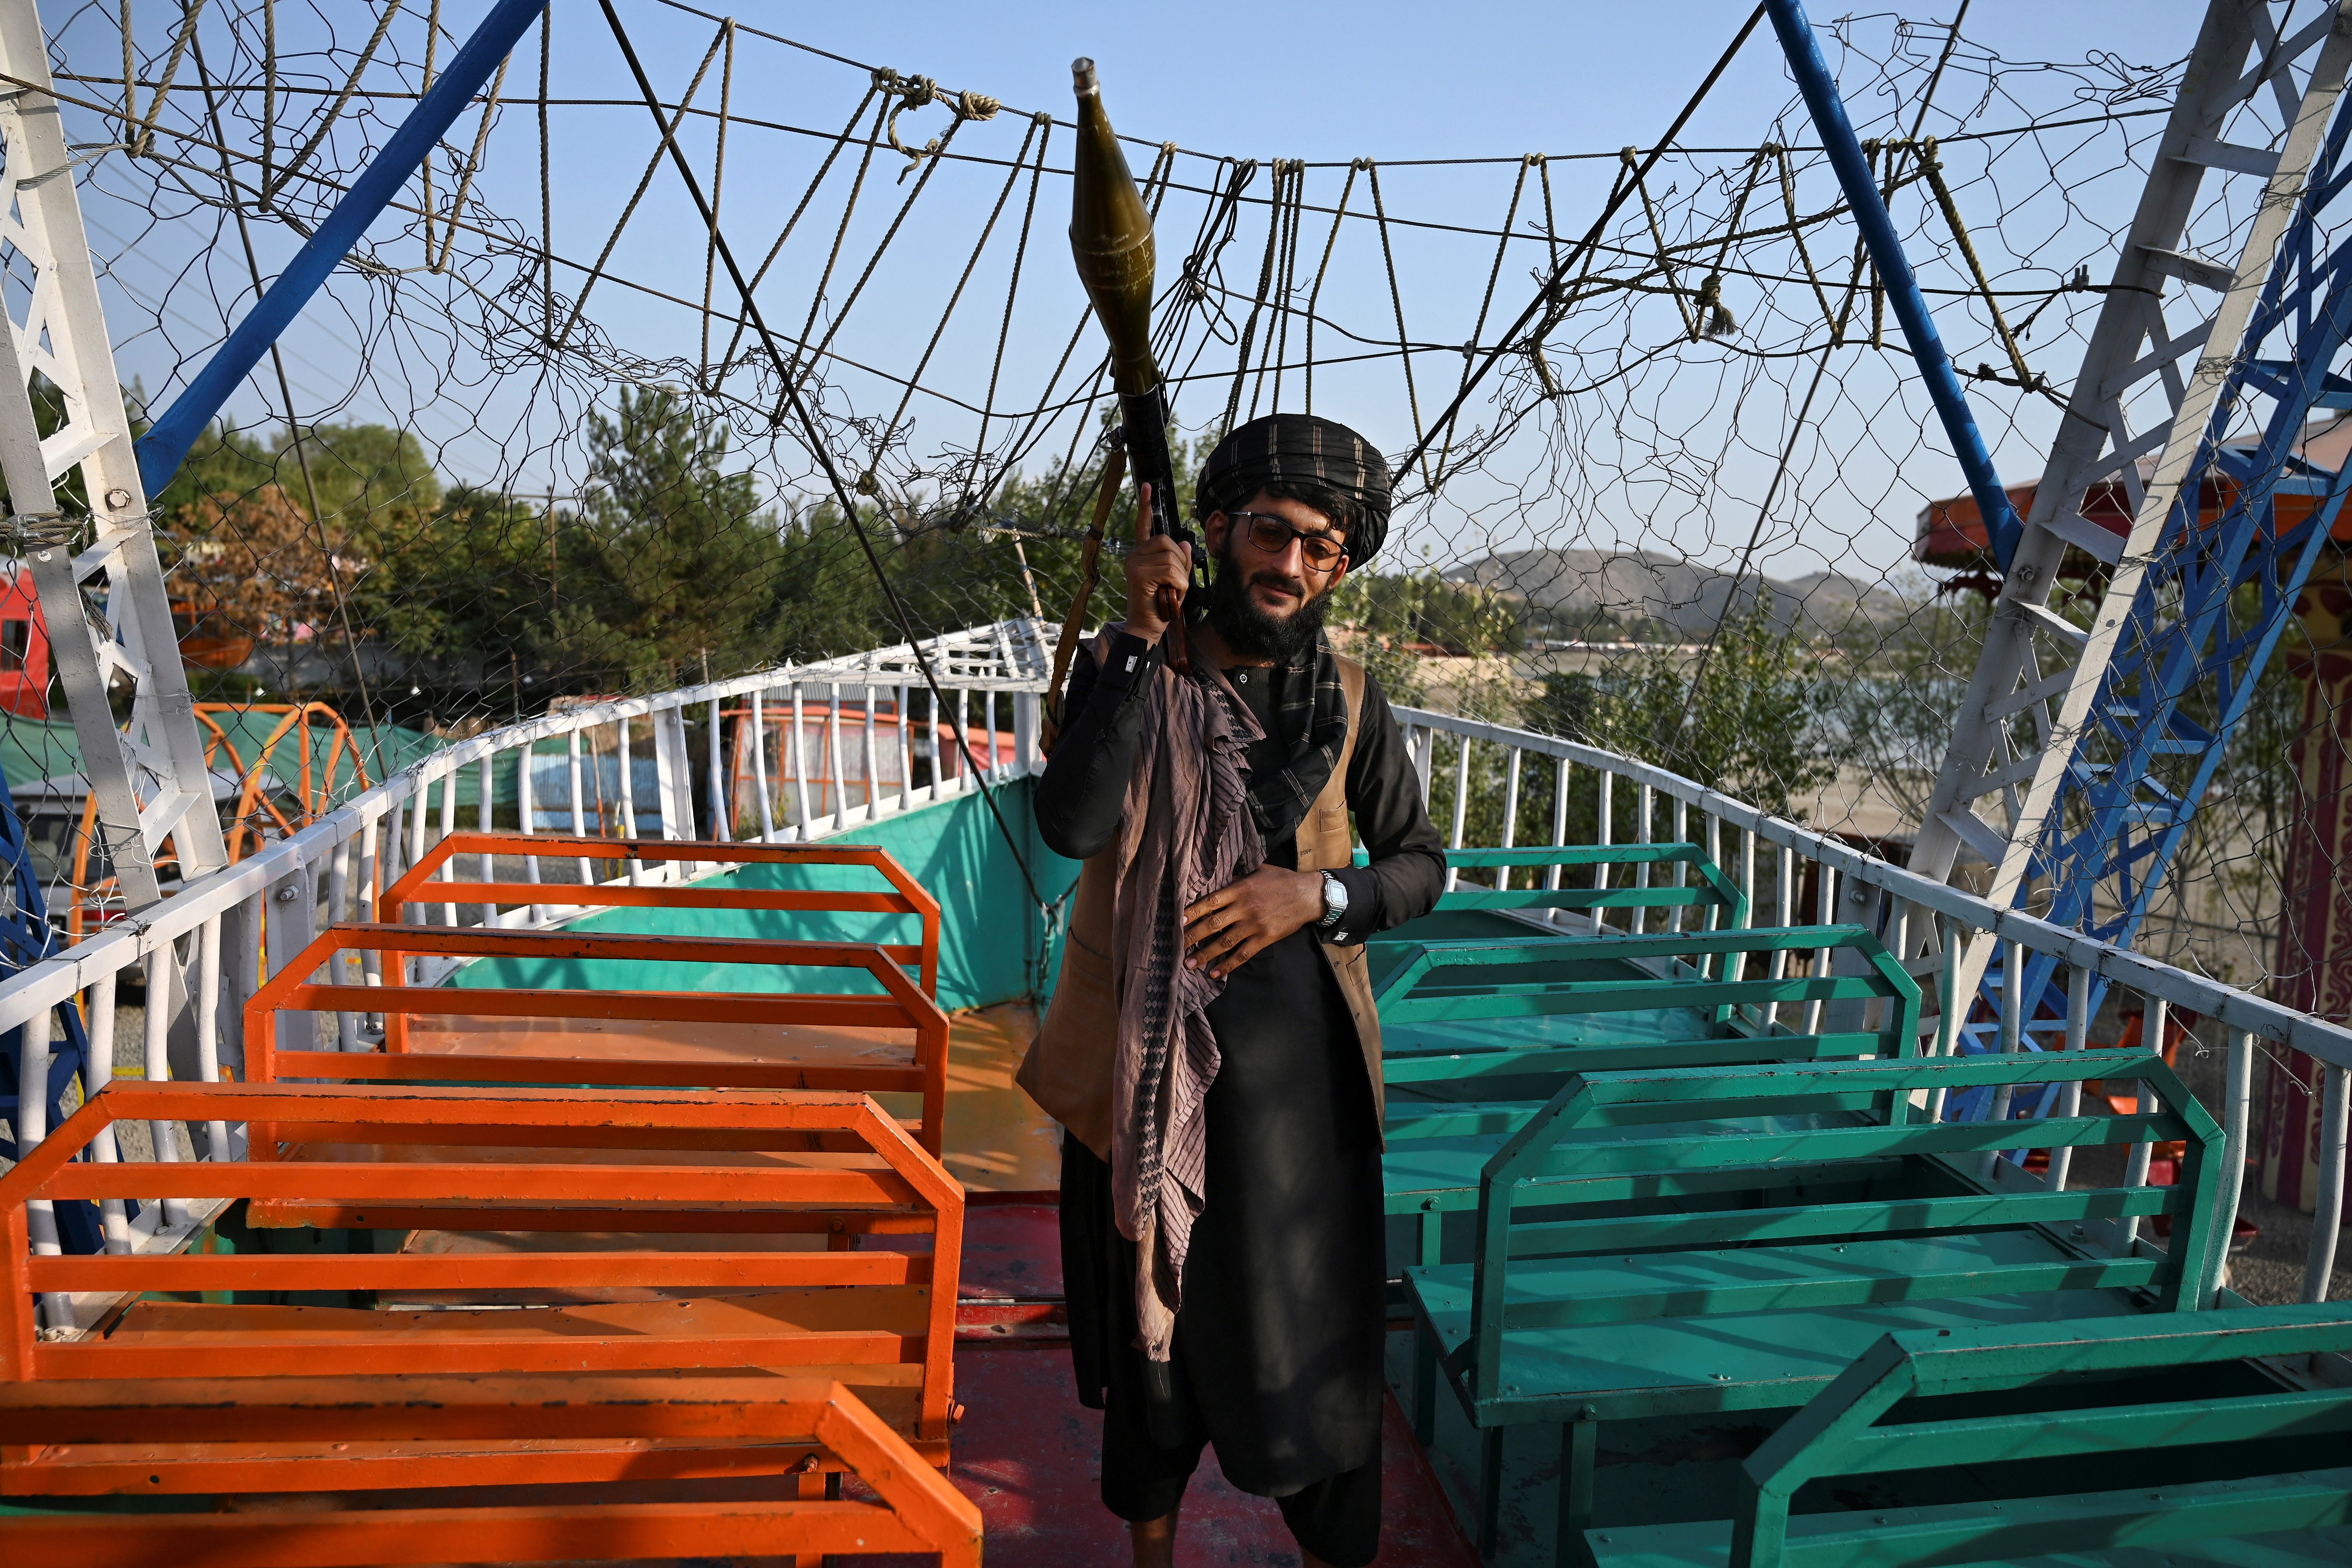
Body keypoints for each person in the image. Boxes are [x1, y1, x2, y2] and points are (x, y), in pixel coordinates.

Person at [1019, 412, 1446, 1568]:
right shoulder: (1131, 669)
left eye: (1322, 548)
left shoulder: (1350, 696)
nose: (1293, 564)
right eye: (1272, 533)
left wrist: (1312, 896)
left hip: (1298, 1103)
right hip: (1137, 1077)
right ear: (1214, 530)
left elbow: (1417, 866)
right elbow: (1068, 825)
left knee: (1308, 1363)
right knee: (1151, 1357)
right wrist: (1142, 643)